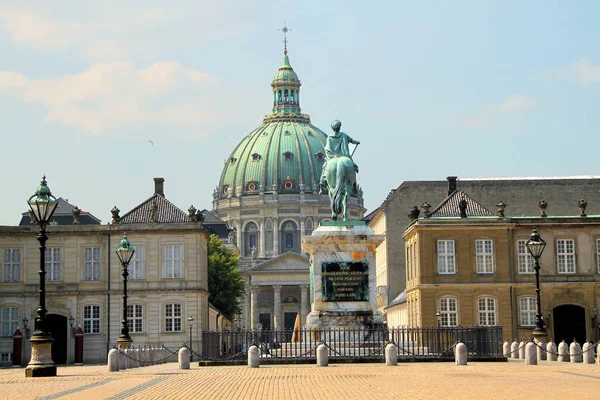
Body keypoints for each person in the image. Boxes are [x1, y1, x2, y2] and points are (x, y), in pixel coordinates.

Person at [319, 120, 360, 194]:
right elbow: (351, 140)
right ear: (339, 127)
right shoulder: (343, 135)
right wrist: (356, 142)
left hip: (332, 156)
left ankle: (322, 185)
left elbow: (327, 149)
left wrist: (333, 155)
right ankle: (353, 184)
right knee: (353, 168)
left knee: (324, 168)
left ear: (332, 128)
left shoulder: (329, 137)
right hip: (344, 155)